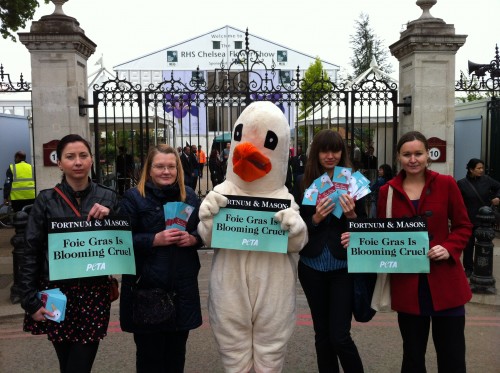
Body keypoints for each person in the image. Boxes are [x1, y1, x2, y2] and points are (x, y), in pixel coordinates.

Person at [19, 134, 120, 373]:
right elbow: (30, 252)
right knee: (67, 364)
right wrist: (30, 301)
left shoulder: (108, 197)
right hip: (56, 294)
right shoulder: (46, 200)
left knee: (79, 365)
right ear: (60, 162)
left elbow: (124, 239)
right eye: (70, 157)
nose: (78, 162)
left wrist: (112, 216)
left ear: (92, 160)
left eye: (83, 155)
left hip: (93, 294)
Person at [374, 131, 473, 372]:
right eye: (407, 154)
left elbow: (463, 225)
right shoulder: (386, 191)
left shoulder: (446, 183)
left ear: (428, 155)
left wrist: (449, 248)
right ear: (398, 157)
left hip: (446, 284)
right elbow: (382, 236)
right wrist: (356, 237)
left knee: (452, 357)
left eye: (418, 153)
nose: (413, 159)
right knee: (413, 357)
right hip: (409, 285)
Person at [119, 144, 202, 373]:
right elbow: (120, 241)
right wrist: (153, 239)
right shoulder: (134, 198)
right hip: (147, 289)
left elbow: (205, 231)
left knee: (176, 357)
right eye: (159, 166)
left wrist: (194, 239)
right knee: (149, 359)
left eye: (171, 166)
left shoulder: (190, 196)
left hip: (182, 288)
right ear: (149, 168)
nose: (166, 171)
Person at [293, 129, 366, 373]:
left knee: (340, 336)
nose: (330, 155)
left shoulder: (355, 182)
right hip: (311, 266)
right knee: (322, 335)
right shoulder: (302, 181)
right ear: (317, 153)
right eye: (325, 150)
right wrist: (315, 218)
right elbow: (295, 226)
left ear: (342, 153)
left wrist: (352, 216)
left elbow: (365, 226)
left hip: (343, 266)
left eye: (335, 150)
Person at [457, 158, 500, 277]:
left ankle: (483, 267)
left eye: (482, 168)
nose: (482, 170)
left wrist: (498, 198)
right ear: (471, 169)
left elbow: (499, 187)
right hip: (469, 220)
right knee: (468, 246)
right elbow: (457, 202)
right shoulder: (461, 183)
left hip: (485, 220)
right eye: (479, 168)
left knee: (484, 245)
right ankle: (469, 268)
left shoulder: (487, 180)